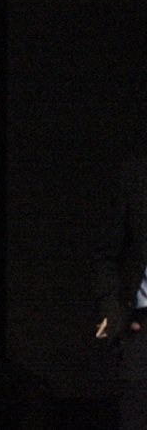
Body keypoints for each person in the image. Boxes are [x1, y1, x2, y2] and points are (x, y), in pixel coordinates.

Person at [92, 156, 147, 430]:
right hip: (141, 325)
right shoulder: (134, 177)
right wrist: (112, 307)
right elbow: (107, 252)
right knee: (135, 412)